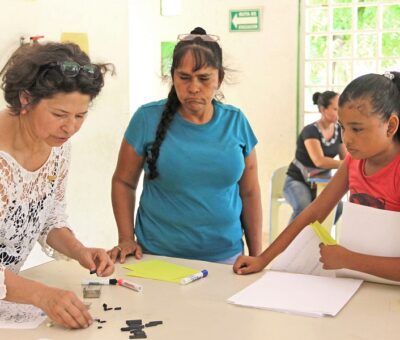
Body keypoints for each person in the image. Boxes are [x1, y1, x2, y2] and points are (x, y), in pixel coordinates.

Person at [110, 27, 262, 265]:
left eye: (204, 78)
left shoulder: (236, 122)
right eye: (184, 77)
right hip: (156, 257)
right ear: (173, 77)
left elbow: (250, 192)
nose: (193, 88)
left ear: (219, 79)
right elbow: (123, 182)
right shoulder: (147, 119)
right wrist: (126, 238)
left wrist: (256, 255)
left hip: (225, 258)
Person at [234, 71, 400, 281]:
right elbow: (313, 213)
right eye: (343, 128)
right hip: (356, 284)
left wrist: (348, 259)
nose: (347, 139)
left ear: (391, 126)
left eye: (357, 129)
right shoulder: (353, 163)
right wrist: (263, 259)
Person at [0, 42, 115, 329]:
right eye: (60, 115)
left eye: (80, 116)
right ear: (25, 100)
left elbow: (48, 218)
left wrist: (80, 251)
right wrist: (41, 295)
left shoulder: (57, 148)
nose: (71, 128)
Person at [284, 91, 346, 223]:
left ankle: (314, 239)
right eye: (335, 109)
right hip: (297, 181)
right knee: (303, 206)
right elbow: (319, 161)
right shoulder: (310, 130)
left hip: (321, 184)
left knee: (338, 208)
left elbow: (346, 158)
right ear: (323, 109)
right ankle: (292, 243)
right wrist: (345, 164)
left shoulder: (339, 131)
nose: (339, 112)